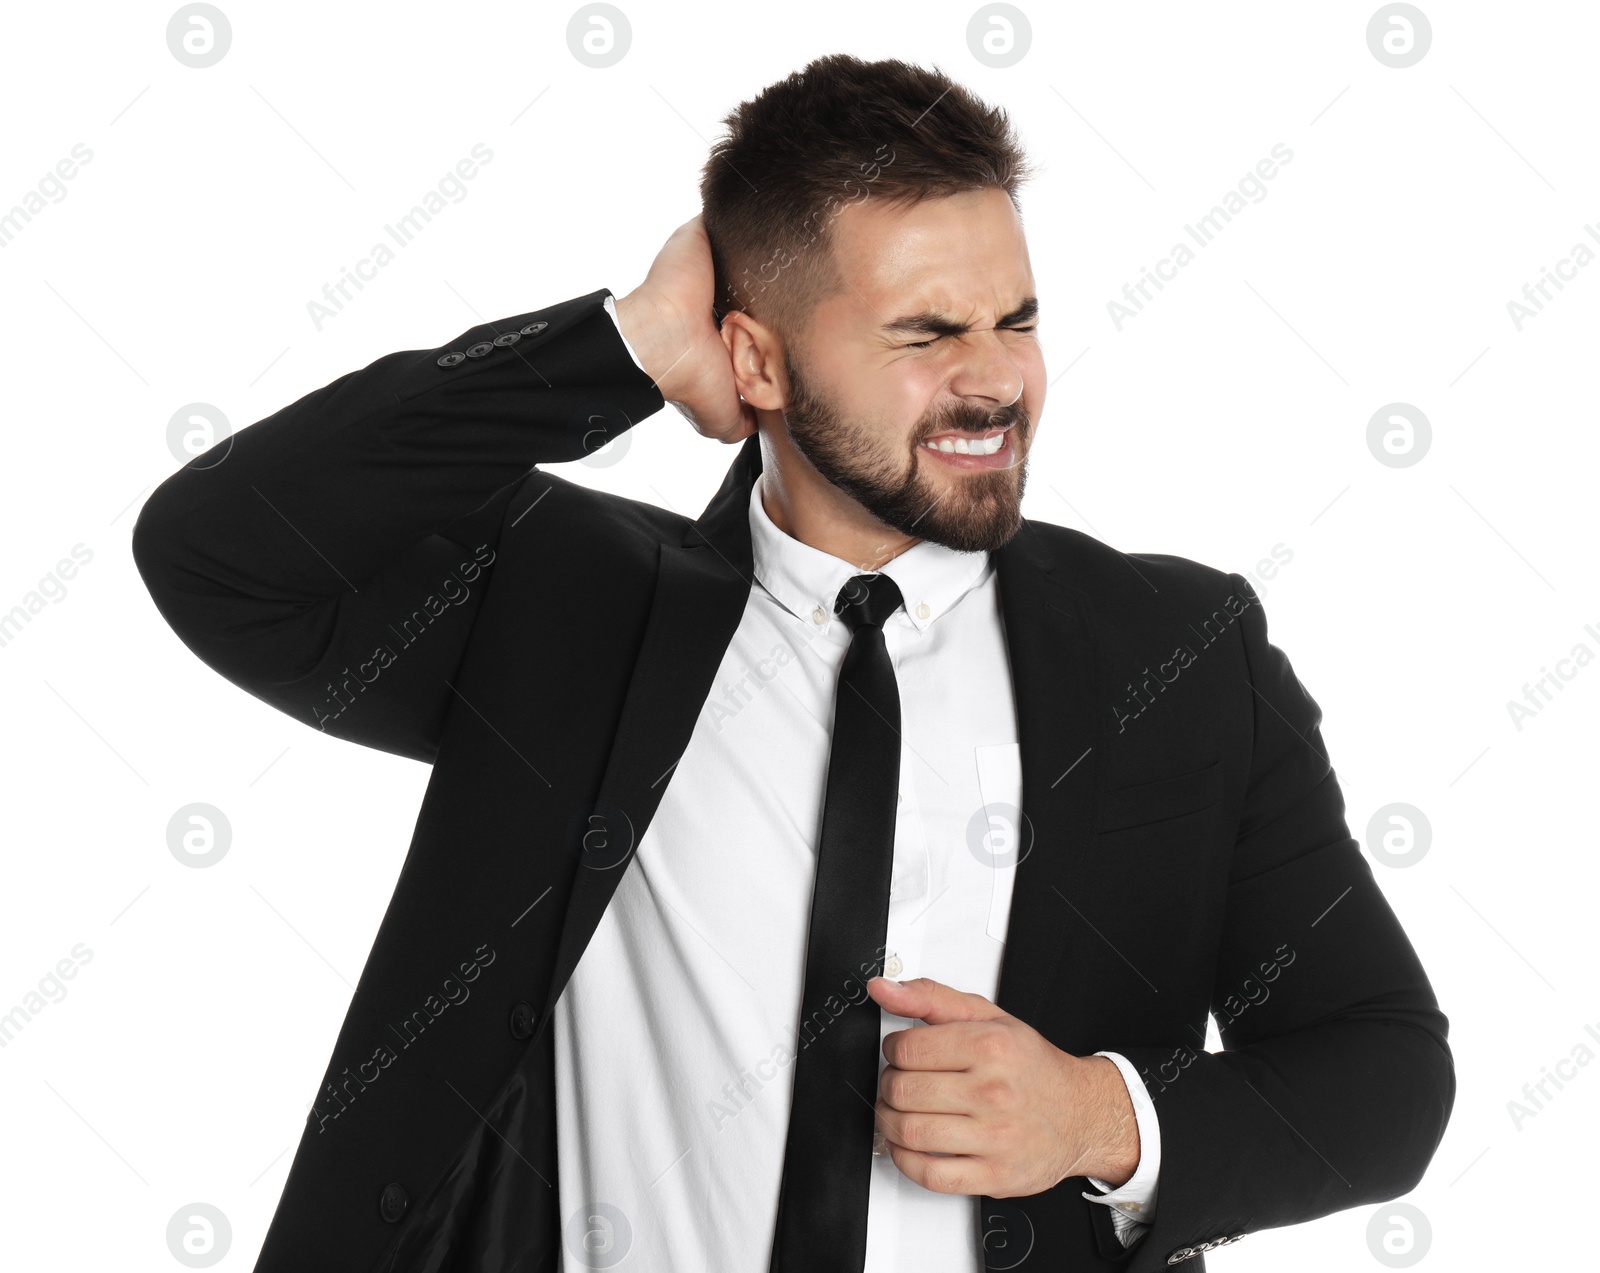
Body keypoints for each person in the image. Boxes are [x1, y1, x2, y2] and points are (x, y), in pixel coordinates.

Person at [131, 53, 1453, 1273]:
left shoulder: (1176, 650)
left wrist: (1103, 1113)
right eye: (926, 334)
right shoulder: (568, 614)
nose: (995, 382)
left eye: (1016, 319)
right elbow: (224, 548)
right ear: (758, 357)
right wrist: (625, 345)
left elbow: (1389, 1073)